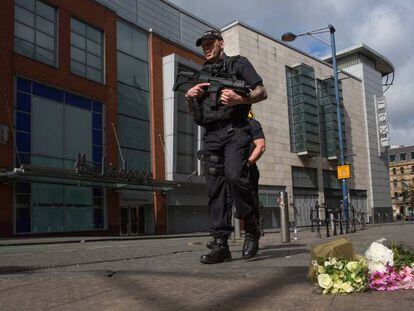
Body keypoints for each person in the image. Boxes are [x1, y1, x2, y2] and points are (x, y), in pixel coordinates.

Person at [185, 30, 267, 264]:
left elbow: (262, 92)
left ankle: (251, 227)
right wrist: (190, 98)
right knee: (215, 188)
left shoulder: (238, 63)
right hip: (211, 135)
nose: (207, 48)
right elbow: (196, 116)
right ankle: (220, 244)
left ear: (221, 43)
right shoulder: (201, 74)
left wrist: (240, 99)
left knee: (234, 176)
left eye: (211, 43)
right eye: (203, 45)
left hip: (236, 130)